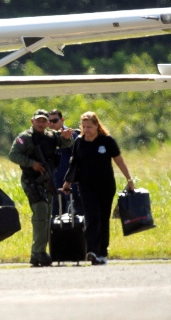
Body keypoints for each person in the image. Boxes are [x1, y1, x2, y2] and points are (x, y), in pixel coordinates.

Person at [62, 111, 135, 266]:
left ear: (97, 126)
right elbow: (74, 163)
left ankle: (103, 252)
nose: (86, 130)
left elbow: (119, 160)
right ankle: (92, 251)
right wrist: (67, 182)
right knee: (91, 217)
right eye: (84, 127)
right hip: (86, 186)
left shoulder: (107, 141)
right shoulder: (79, 142)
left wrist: (129, 179)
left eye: (89, 126)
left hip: (106, 186)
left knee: (103, 218)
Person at [9, 109, 74, 267]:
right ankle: (39, 251)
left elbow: (66, 143)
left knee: (47, 214)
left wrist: (67, 137)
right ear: (32, 121)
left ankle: (36, 254)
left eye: (44, 121)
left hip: (47, 180)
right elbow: (13, 155)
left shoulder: (51, 136)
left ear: (48, 123)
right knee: (41, 212)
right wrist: (32, 164)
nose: (41, 123)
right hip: (32, 180)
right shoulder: (25, 138)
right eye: (38, 120)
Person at [48, 109, 82, 216]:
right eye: (49, 122)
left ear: (62, 120)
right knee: (55, 214)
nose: (51, 124)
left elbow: (78, 159)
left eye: (55, 121)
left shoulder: (70, 135)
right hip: (54, 182)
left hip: (69, 182)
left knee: (74, 213)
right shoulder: (48, 137)